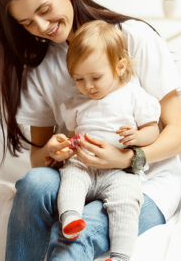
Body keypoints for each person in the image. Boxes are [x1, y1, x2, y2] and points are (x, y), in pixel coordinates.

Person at [0, 0, 181, 260]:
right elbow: (37, 158)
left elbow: (179, 134)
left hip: (145, 183)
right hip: (82, 174)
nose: (42, 26)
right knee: (33, 184)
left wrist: (126, 158)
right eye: (28, 23)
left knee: (73, 235)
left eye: (44, 10)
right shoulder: (42, 67)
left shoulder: (132, 38)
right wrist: (52, 151)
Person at [56, 20, 161, 261]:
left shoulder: (132, 95)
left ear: (120, 66)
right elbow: (74, 134)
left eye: (95, 77)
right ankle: (71, 218)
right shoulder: (76, 103)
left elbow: (152, 129)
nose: (88, 86)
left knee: (127, 200)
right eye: (79, 80)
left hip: (118, 171)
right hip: (84, 164)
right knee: (70, 178)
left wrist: (138, 137)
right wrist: (68, 144)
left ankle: (121, 255)